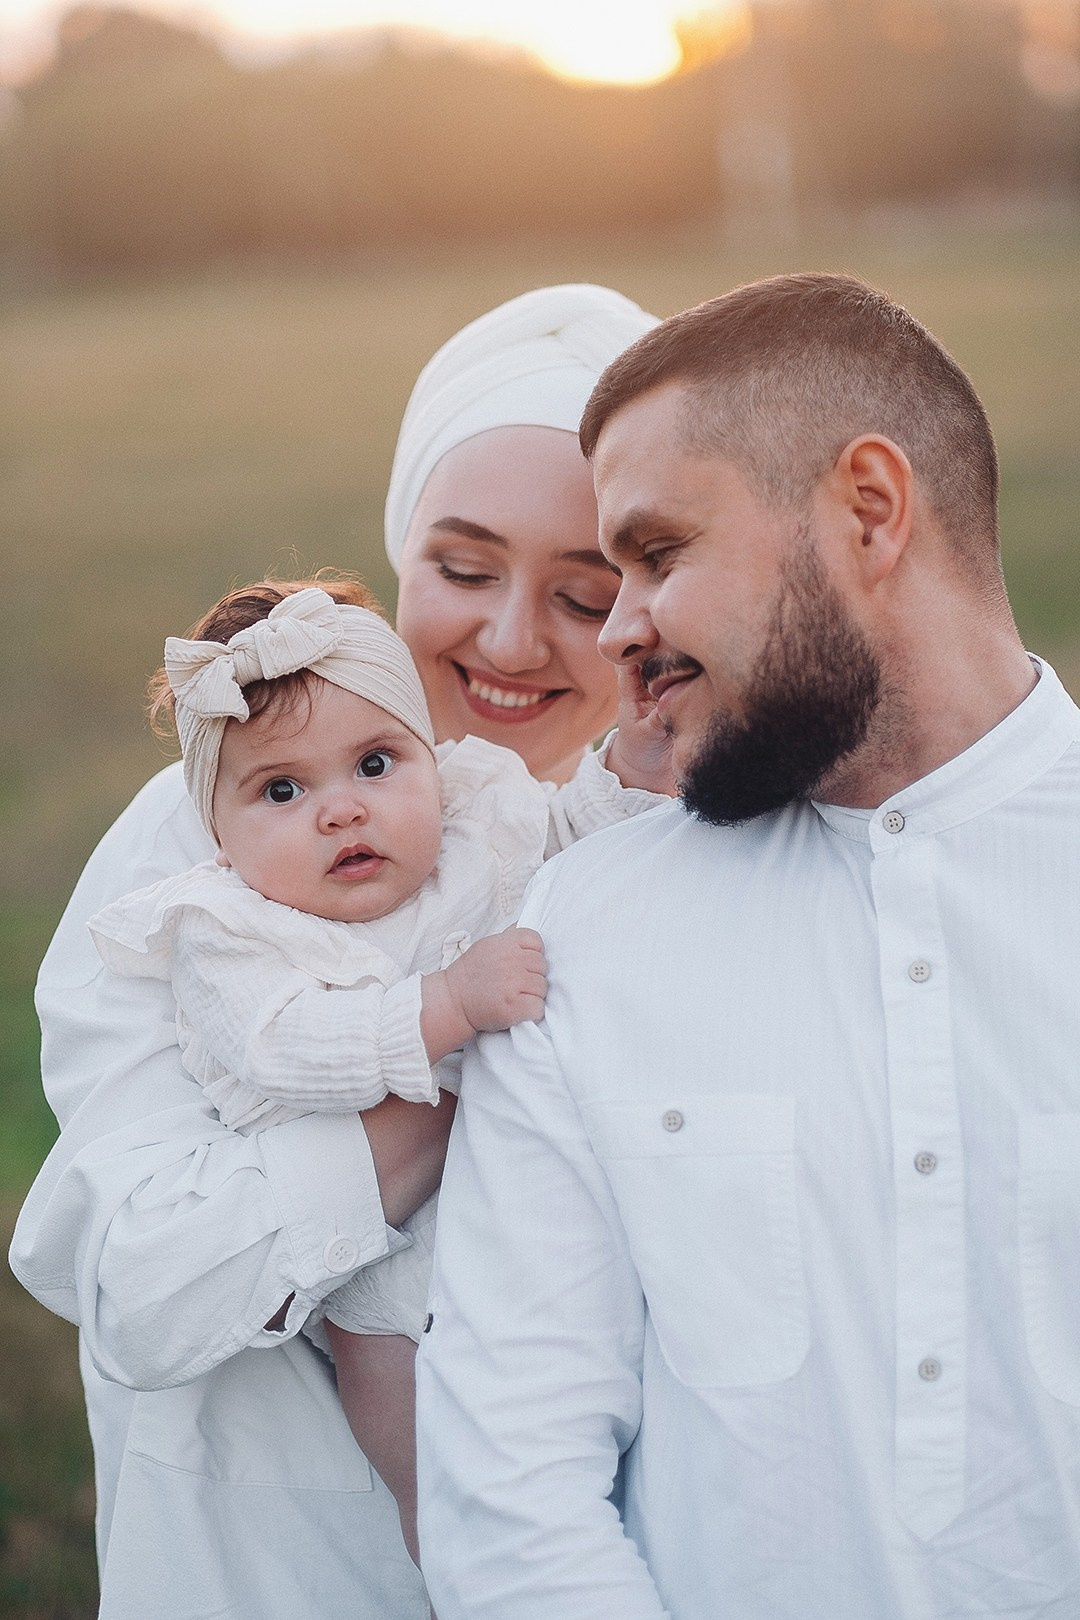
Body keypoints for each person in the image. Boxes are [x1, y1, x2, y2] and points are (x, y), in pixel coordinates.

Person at [415, 272, 1080, 1619]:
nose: (619, 632)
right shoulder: (587, 932)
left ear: (870, 511)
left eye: (656, 556)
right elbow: (514, 1500)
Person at [9, 283, 661, 1620]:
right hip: (268, 1567)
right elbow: (148, 1289)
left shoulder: (640, 828)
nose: (510, 638)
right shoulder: (203, 860)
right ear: (397, 554)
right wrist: (448, 1077)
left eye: (586, 593)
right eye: (464, 570)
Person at [87, 577, 665, 1564]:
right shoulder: (230, 932)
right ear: (218, 836)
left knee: (583, 1445)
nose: (341, 810)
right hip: (385, 1284)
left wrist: (627, 767)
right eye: (281, 790)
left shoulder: (472, 833)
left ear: (427, 766)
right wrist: (445, 1008)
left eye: (374, 763)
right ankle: (454, 1575)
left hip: (539, 1224)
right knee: (436, 1481)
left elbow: (571, 838)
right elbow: (289, 1047)